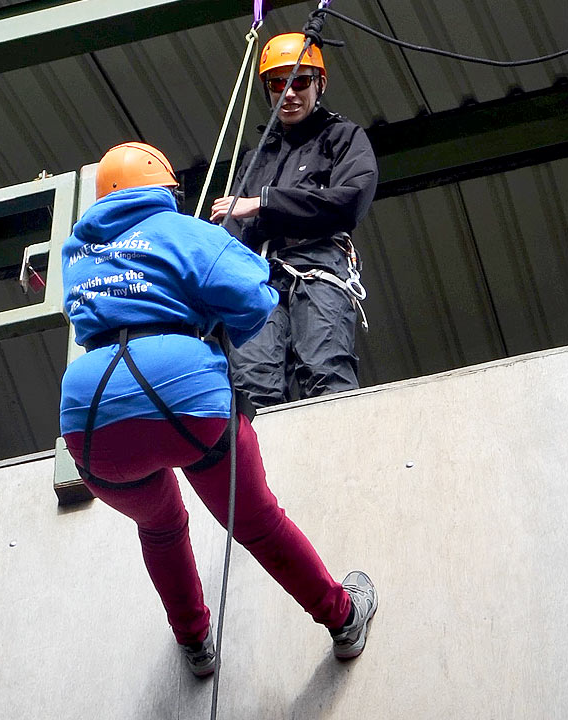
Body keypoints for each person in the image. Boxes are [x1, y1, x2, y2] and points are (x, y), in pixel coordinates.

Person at [60, 141, 378, 677]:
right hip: (183, 396)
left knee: (160, 526)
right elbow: (256, 298)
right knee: (256, 522)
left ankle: (196, 643)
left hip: (89, 420)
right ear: (162, 188)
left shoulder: (77, 254)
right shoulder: (183, 233)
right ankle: (342, 618)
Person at [211, 32, 379, 408]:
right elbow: (231, 233)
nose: (288, 93)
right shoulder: (258, 158)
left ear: (320, 83)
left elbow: (349, 201)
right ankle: (262, 465)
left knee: (325, 370)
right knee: (251, 385)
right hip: (259, 278)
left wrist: (264, 203)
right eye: (277, 83)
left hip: (316, 268)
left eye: (299, 81)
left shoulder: (341, 138)